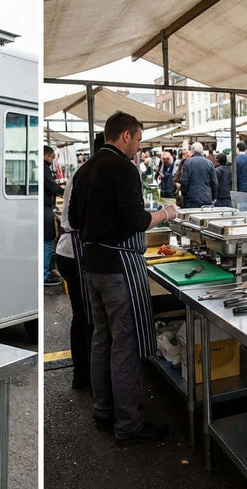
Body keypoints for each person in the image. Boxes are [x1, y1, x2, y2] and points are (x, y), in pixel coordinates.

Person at [68, 111, 177, 446]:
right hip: (119, 267)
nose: (139, 147)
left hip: (91, 266)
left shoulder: (85, 169)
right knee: (125, 345)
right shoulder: (123, 168)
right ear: (126, 135)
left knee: (102, 338)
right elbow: (135, 221)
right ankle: (128, 424)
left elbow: (73, 217)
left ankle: (104, 411)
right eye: (139, 139)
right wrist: (165, 214)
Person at [55, 164, 93, 389]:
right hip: (74, 251)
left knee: (82, 317)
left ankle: (83, 374)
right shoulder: (90, 172)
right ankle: (83, 375)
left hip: (67, 251)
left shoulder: (84, 170)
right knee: (85, 317)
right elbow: (81, 218)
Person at [44, 145, 65, 286]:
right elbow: (52, 187)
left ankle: (45, 272)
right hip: (45, 208)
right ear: (46, 155)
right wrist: (67, 193)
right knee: (46, 241)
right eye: (51, 157)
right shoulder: (44, 169)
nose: (51, 160)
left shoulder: (44, 168)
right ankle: (44, 275)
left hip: (48, 206)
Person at [179, 142, 218, 208]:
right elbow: (214, 182)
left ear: (191, 151)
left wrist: (184, 195)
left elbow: (184, 182)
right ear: (202, 151)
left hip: (191, 199)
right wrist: (214, 197)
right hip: (206, 198)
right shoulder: (209, 163)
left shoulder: (187, 163)